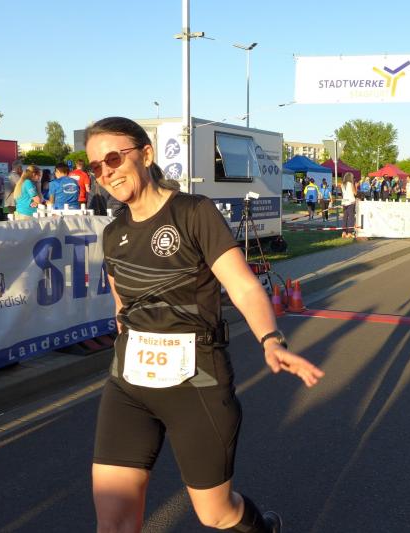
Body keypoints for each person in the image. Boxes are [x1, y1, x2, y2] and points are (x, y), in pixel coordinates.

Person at [85, 117, 323, 533]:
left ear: (145, 154)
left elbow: (243, 285)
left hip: (195, 381)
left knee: (215, 513)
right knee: (114, 523)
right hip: (129, 384)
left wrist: (270, 339)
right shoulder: (113, 233)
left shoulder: (194, 212)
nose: (106, 172)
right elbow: (122, 308)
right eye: (95, 166)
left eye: (114, 158)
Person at [340, 171, 357, 238]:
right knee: (351, 218)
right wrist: (356, 186)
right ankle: (349, 232)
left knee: (345, 217)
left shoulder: (342, 184)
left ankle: (344, 232)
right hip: (351, 202)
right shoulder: (351, 184)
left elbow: (343, 194)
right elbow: (355, 193)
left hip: (344, 202)